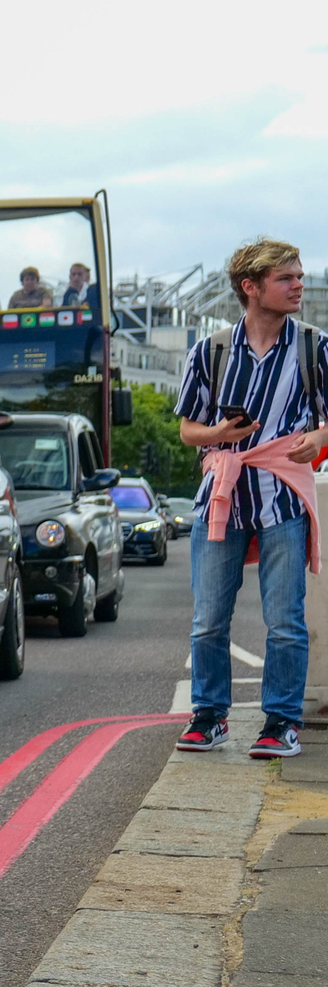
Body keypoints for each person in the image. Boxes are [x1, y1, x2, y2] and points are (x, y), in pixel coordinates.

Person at [176, 237, 328, 756]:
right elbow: (188, 431)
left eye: (299, 276)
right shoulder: (211, 350)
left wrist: (321, 436)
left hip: (282, 495)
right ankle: (209, 716)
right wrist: (219, 433)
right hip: (220, 494)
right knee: (208, 619)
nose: (298, 286)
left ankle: (281, 723)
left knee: (285, 618)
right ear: (251, 287)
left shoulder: (314, 347)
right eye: (286, 278)